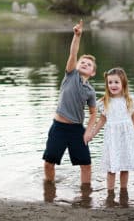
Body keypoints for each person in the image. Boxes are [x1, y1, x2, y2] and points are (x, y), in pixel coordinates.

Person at [42, 20, 97, 195]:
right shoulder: (71, 74)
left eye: (89, 65)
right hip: (58, 127)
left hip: (76, 130)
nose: (85, 64)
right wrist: (77, 35)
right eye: (83, 62)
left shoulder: (90, 91)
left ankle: (86, 194)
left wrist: (89, 131)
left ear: (92, 73)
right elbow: (73, 53)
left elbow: (94, 113)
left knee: (86, 164)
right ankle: (49, 189)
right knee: (49, 162)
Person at [89, 67, 134, 205]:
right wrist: (92, 134)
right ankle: (110, 193)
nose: (113, 85)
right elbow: (102, 120)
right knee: (111, 167)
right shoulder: (104, 102)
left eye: (116, 82)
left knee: (124, 166)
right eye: (110, 82)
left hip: (126, 137)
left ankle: (124, 191)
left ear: (123, 83)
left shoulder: (130, 101)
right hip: (112, 139)